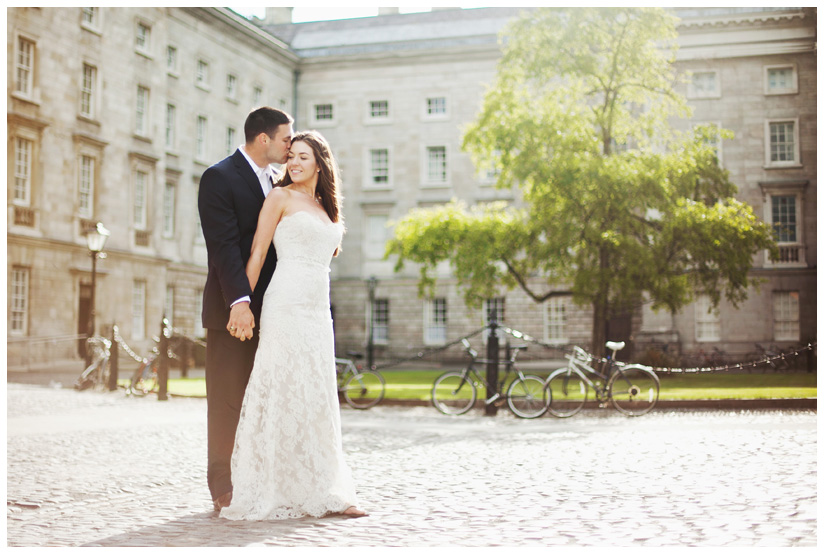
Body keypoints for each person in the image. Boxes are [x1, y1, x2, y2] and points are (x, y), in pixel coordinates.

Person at [220, 130, 366, 520]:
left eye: (303, 156)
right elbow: (258, 252)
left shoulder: (328, 207)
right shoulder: (279, 197)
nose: (295, 163)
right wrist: (242, 305)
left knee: (317, 392)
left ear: (320, 161)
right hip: (285, 303)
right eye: (291, 156)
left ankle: (327, 489)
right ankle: (272, 486)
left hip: (318, 311)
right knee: (282, 386)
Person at [198, 107, 294, 511]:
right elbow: (223, 249)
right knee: (226, 401)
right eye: (287, 138)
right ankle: (223, 487)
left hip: (277, 311)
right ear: (264, 139)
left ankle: (260, 480)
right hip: (231, 312)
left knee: (267, 400)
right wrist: (240, 302)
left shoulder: (282, 182)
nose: (292, 145)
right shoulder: (218, 177)